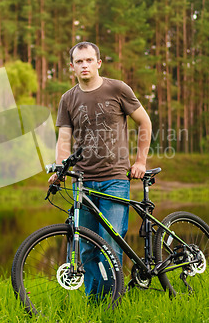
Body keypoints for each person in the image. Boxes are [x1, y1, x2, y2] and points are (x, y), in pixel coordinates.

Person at [49, 41, 152, 296]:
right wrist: (59, 170)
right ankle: (95, 303)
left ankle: (112, 302)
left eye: (89, 60)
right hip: (82, 182)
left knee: (111, 244)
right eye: (79, 61)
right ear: (72, 66)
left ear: (98, 63)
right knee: (85, 247)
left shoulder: (117, 89)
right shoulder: (68, 98)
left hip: (115, 179)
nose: (84, 65)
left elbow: (144, 122)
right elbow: (63, 139)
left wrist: (140, 161)